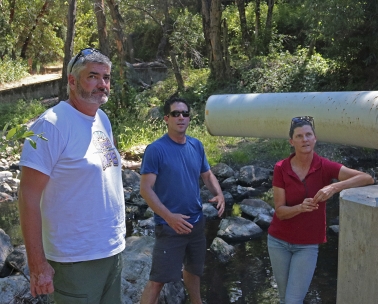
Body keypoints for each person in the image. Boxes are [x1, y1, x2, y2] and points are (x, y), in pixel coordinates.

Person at [17, 48, 125, 303]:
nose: (102, 84)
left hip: (112, 251)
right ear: (72, 81)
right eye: (93, 76)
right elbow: (28, 195)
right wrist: (37, 265)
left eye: (106, 77)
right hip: (74, 260)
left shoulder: (102, 119)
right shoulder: (52, 124)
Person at [267, 116, 374, 304]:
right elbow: (280, 211)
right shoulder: (281, 168)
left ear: (315, 138)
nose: (305, 139)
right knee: (285, 299)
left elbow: (366, 178)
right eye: (299, 136)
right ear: (292, 142)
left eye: (308, 135)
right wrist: (300, 208)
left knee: (292, 301)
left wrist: (334, 187)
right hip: (278, 241)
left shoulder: (324, 166)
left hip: (307, 245)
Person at [139, 97, 225, 304]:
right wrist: (169, 217)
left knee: (194, 272)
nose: (181, 117)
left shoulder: (196, 145)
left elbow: (207, 175)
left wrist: (219, 193)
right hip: (170, 227)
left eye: (185, 113)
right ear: (166, 119)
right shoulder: (156, 150)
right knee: (157, 281)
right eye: (176, 114)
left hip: (196, 223)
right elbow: (145, 189)